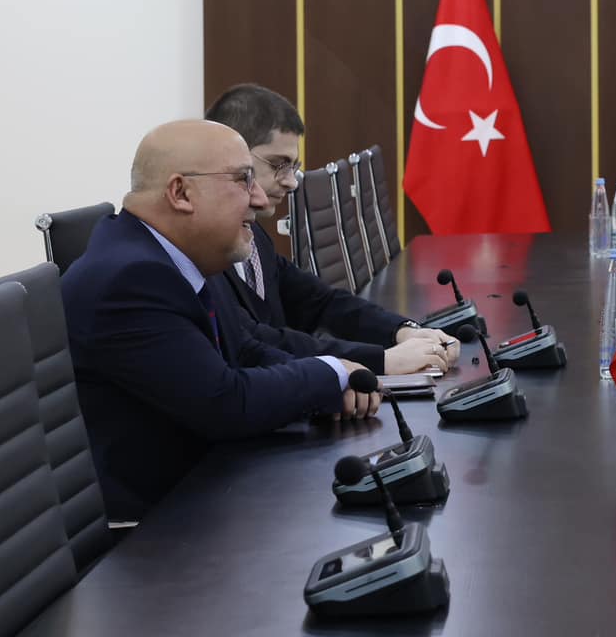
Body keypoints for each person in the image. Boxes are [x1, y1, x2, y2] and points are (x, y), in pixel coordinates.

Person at [63, 119, 379, 521]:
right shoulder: (131, 278)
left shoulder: (177, 254)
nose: (260, 199)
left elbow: (244, 350)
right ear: (181, 193)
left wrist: (338, 378)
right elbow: (226, 403)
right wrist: (328, 374)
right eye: (243, 179)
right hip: (158, 527)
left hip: (210, 488)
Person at [204, 83, 455, 375]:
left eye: (293, 167)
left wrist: (404, 331)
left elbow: (320, 302)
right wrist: (382, 360)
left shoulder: (256, 235)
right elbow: (257, 342)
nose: (292, 182)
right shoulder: (203, 252)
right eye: (278, 164)